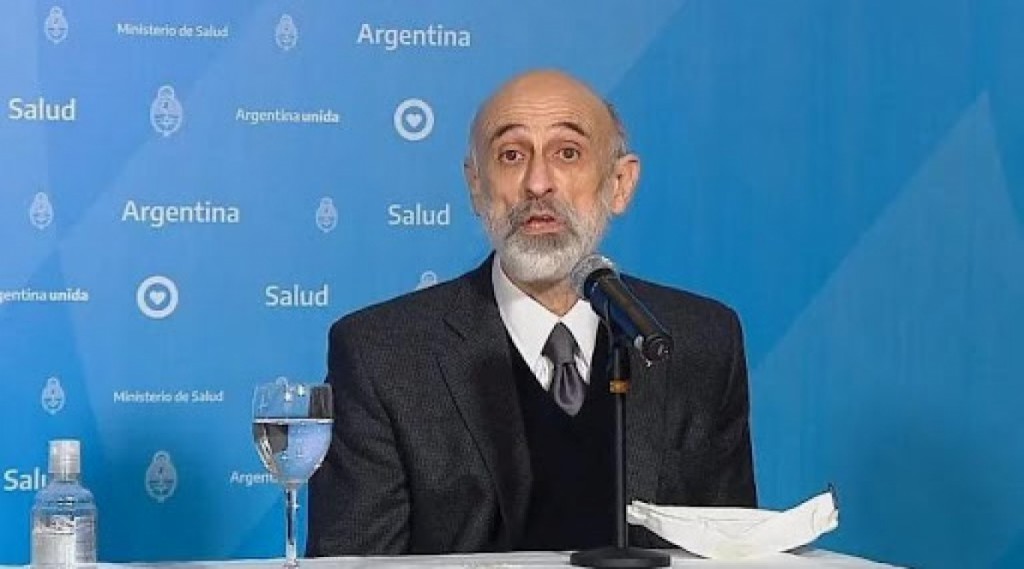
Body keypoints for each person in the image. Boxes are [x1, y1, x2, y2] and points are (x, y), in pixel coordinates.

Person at [307, 69, 756, 556]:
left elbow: (735, 556)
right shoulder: (382, 354)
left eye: (568, 153)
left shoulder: (699, 339)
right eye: (511, 155)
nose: (538, 183)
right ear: (476, 186)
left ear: (620, 183)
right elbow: (351, 565)